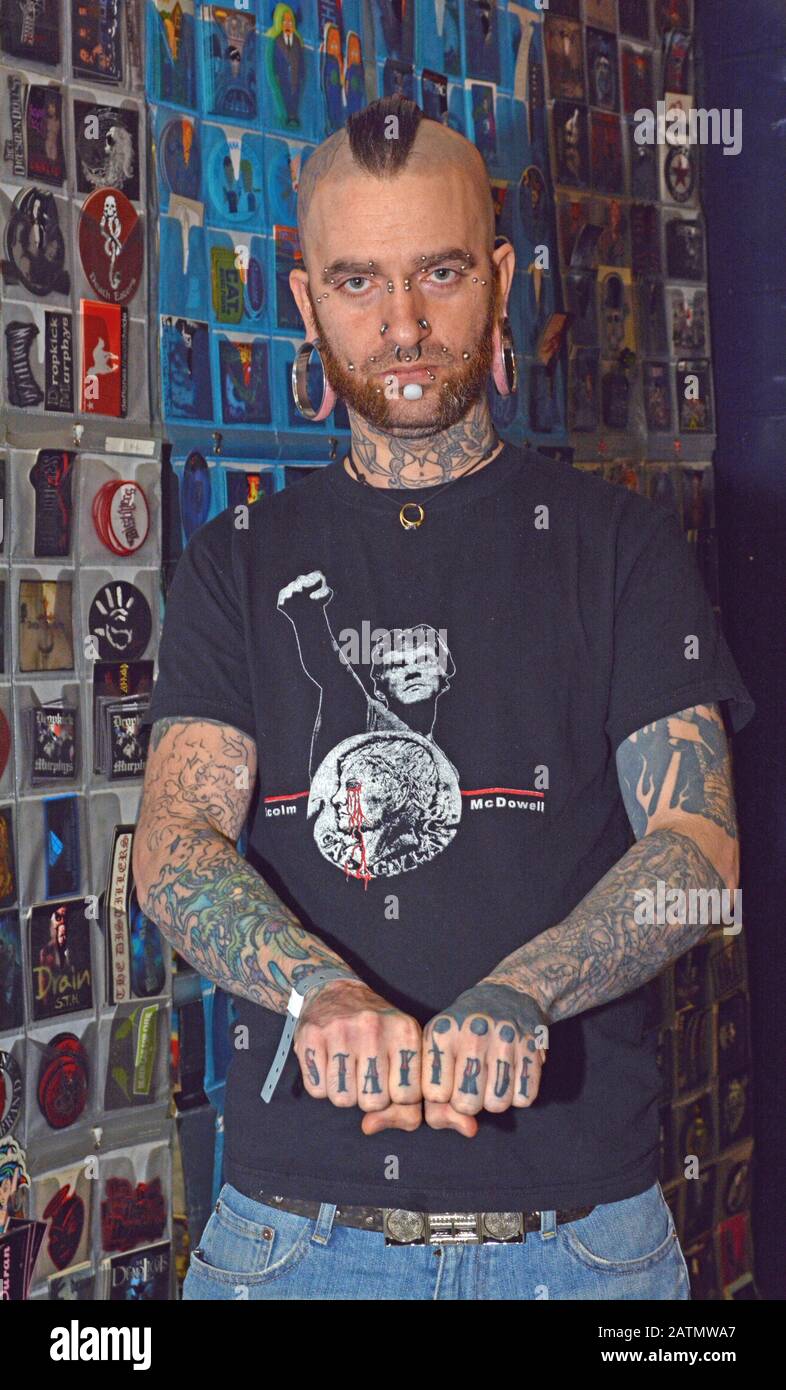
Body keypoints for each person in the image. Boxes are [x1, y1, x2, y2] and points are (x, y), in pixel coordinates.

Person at [133, 96, 754, 1300]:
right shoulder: (237, 561)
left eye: (442, 272)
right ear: (305, 301)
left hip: (585, 1252)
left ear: (503, 279)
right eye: (357, 282)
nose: (404, 324)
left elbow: (697, 846)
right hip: (293, 1246)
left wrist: (529, 991)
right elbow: (174, 846)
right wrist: (319, 989)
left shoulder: (619, 547)